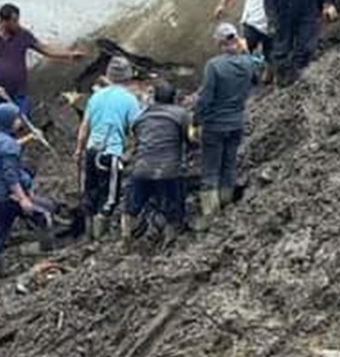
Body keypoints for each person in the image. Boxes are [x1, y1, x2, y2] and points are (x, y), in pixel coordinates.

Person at [0, 3, 84, 125]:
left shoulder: (23, 35)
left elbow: (45, 49)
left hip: (18, 94)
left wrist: (69, 55)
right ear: (3, 21)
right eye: (14, 21)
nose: (18, 24)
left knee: (19, 125)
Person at [73, 56, 142, 241]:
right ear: (128, 78)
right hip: (109, 154)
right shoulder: (130, 100)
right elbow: (138, 129)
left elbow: (84, 126)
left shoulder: (96, 96)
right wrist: (134, 151)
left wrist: (79, 150)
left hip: (91, 151)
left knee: (90, 192)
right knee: (109, 197)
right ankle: (99, 237)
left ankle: (88, 235)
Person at [195, 24, 260, 219]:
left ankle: (210, 213)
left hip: (215, 125)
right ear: (237, 40)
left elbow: (206, 98)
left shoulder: (214, 66)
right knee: (229, 165)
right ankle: (226, 205)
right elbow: (257, 79)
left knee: (210, 169)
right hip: (236, 123)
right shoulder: (248, 63)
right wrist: (246, 53)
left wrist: (196, 120)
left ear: (219, 43)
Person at [124, 81, 193, 244]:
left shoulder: (141, 117)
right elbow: (190, 139)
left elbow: (135, 141)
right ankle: (170, 237)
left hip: (142, 168)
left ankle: (126, 235)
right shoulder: (181, 114)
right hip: (169, 170)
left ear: (154, 98)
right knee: (173, 207)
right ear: (174, 98)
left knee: (132, 206)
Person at [0, 102, 38, 277]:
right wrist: (23, 199)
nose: (20, 121)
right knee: (44, 214)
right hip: (7, 197)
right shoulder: (8, 145)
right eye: (17, 118)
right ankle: (44, 253)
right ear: (9, 121)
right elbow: (11, 176)